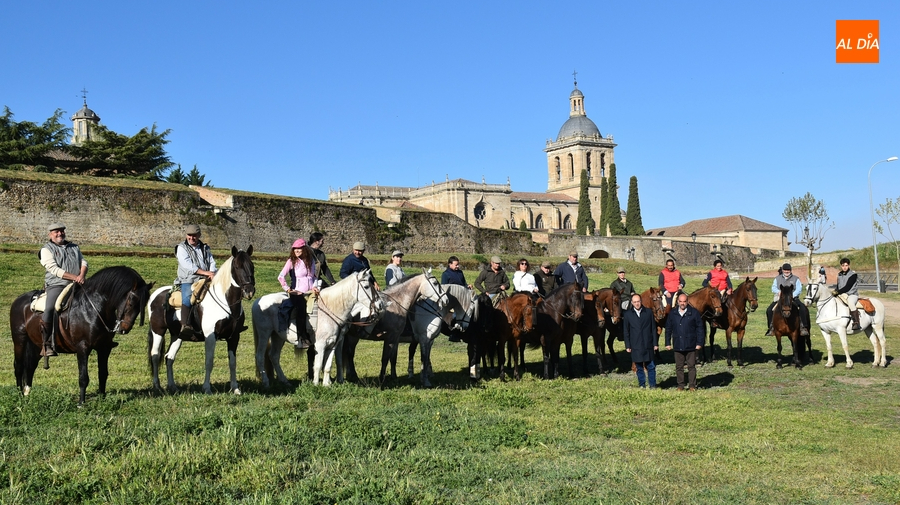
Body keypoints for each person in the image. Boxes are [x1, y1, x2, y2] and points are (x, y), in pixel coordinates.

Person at [39, 223, 88, 357]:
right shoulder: (46, 250)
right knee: (50, 308)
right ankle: (46, 344)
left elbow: (83, 262)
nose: (60, 233)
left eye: (61, 231)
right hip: (57, 285)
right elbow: (53, 269)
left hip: (77, 284)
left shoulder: (74, 247)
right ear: (50, 234)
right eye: (56, 232)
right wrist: (75, 277)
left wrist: (81, 276)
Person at [175, 224, 216, 339]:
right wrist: (206, 273)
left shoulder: (205, 248)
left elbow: (212, 262)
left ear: (199, 235)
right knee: (188, 298)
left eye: (194, 236)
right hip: (188, 279)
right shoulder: (181, 248)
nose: (191, 238)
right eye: (189, 235)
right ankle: (185, 326)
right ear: (186, 235)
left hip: (206, 278)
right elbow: (188, 266)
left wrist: (212, 272)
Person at [278, 238, 318, 348]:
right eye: (295, 249)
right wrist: (287, 289)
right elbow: (281, 276)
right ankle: (302, 338)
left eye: (299, 248)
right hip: (297, 292)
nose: (297, 250)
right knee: (301, 308)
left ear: (304, 249)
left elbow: (314, 277)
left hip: (311, 291)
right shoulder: (291, 261)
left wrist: (315, 287)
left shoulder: (311, 261)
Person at [665, 293, 705, 391]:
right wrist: (667, 342)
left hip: (691, 344)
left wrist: (699, 343)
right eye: (681, 301)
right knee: (679, 367)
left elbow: (700, 328)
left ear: (687, 302)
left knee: (691, 366)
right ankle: (680, 385)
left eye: (684, 301)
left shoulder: (694, 313)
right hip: (678, 344)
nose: (682, 303)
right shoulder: (673, 313)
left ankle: (692, 385)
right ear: (678, 302)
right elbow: (668, 328)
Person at [765, 263, 810, 337]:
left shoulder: (796, 278)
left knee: (802, 308)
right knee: (769, 310)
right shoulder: (777, 278)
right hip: (780, 299)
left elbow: (799, 289)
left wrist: (792, 296)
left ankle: (803, 327)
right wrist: (778, 292)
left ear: (791, 270)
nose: (786, 271)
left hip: (793, 298)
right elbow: (773, 288)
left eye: (788, 270)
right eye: (785, 270)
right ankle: (771, 328)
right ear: (782, 270)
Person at [623, 293, 658, 389]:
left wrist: (655, 343)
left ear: (641, 301)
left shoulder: (648, 312)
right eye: (634, 302)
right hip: (635, 344)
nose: (637, 304)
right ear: (632, 303)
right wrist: (628, 345)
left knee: (651, 366)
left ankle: (652, 385)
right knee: (639, 367)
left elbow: (653, 329)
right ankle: (642, 384)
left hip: (648, 343)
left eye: (638, 301)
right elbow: (626, 331)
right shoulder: (628, 315)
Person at [834, 257, 860, 330]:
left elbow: (848, 287)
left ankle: (856, 322)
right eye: (843, 265)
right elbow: (838, 286)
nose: (844, 267)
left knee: (851, 303)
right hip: (842, 294)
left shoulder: (853, 275)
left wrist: (838, 292)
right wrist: (835, 291)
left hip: (852, 294)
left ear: (849, 265)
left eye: (846, 265)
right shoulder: (839, 274)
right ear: (841, 266)